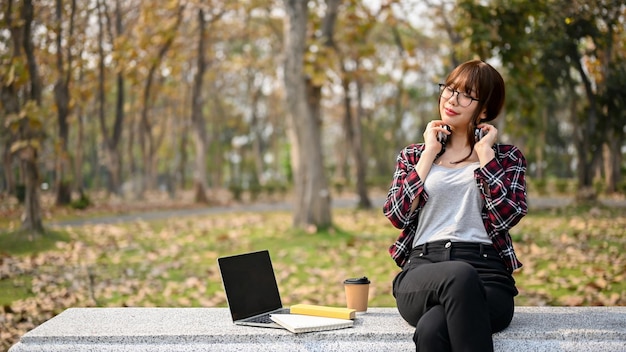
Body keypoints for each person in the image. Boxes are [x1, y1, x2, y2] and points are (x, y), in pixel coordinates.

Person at [382, 59, 528, 352]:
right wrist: (429, 154)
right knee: (459, 275)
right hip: (423, 271)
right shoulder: (413, 156)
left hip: (487, 275)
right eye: (449, 89)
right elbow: (397, 213)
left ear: (484, 109)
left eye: (466, 95)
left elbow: (508, 215)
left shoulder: (506, 158)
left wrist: (485, 156)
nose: (452, 99)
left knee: (432, 329)